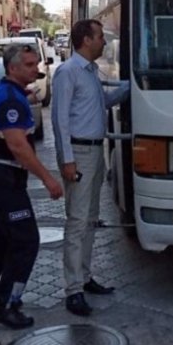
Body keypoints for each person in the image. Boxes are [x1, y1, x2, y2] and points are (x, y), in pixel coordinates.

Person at [0, 42, 63, 328]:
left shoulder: (1, 90)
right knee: (26, 241)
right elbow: (18, 147)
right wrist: (48, 178)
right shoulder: (11, 99)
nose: (35, 68)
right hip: (3, 181)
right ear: (12, 68)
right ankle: (6, 304)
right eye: (28, 64)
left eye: (36, 63)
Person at [51, 19, 130, 317]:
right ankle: (73, 289)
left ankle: (84, 277)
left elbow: (102, 103)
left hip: (95, 153)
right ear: (85, 40)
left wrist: (130, 87)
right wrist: (68, 160)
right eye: (99, 37)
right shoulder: (68, 73)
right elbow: (59, 121)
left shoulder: (90, 72)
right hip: (80, 153)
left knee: (90, 219)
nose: (104, 43)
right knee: (77, 221)